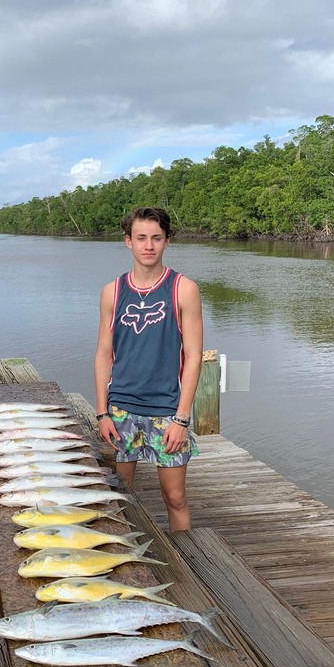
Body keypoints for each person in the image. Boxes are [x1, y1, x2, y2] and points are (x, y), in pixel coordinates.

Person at [94, 207, 203, 531]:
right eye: (141, 238)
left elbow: (193, 356)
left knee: (175, 497)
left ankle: (188, 564)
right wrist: (102, 413)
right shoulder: (112, 292)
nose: (148, 245)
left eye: (156, 238)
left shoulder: (183, 289)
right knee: (119, 497)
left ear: (167, 241)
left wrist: (182, 419)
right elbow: (103, 354)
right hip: (121, 410)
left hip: (167, 411)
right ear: (128, 241)